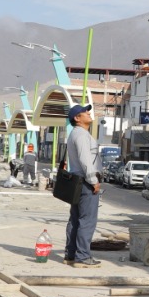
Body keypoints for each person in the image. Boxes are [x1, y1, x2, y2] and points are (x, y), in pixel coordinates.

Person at [63, 104, 102, 268]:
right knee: (87, 220)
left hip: (77, 181)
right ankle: (83, 257)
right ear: (77, 118)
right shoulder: (81, 135)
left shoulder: (76, 134)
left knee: (76, 220)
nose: (88, 113)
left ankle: (71, 255)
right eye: (84, 112)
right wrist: (93, 181)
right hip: (85, 182)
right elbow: (86, 160)